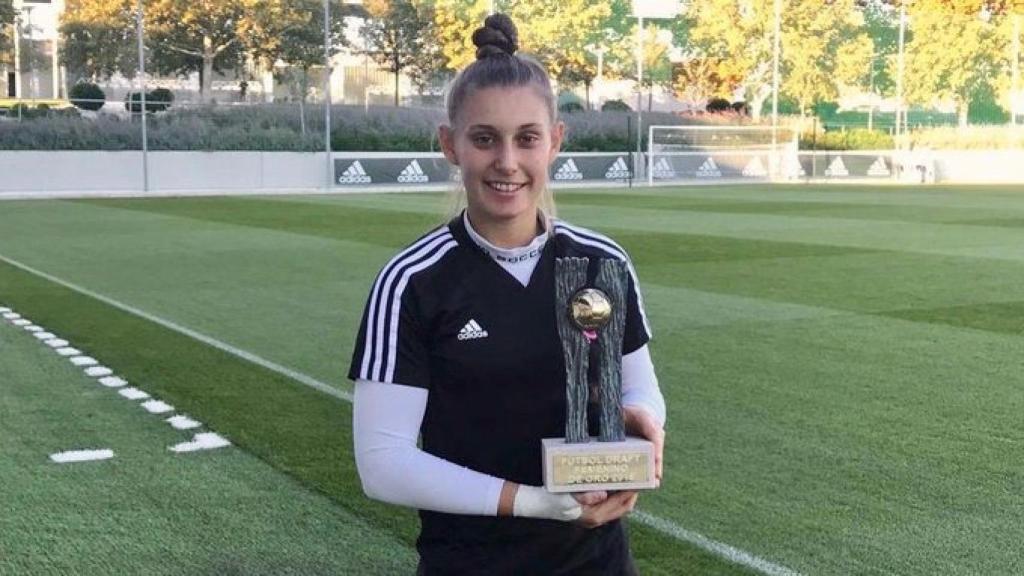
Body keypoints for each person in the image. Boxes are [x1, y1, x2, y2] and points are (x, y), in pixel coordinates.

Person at [349, 13, 666, 575]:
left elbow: (641, 388)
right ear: (450, 145)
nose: (507, 162)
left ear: (555, 142)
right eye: (484, 139)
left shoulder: (603, 263)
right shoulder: (413, 281)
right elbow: (383, 463)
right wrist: (536, 502)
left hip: (597, 563)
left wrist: (641, 425)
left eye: (527, 138)